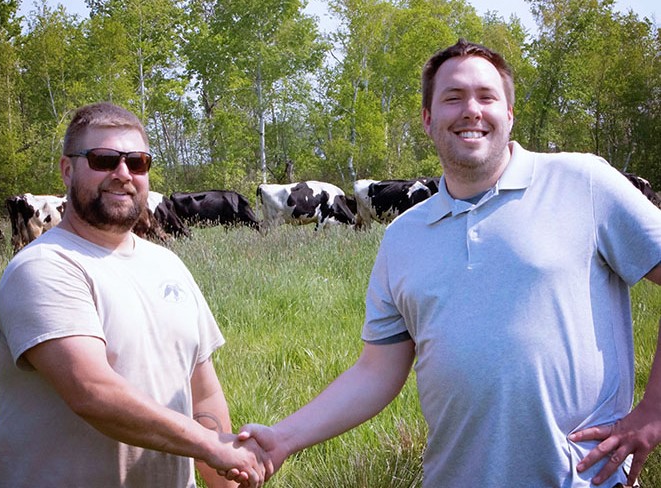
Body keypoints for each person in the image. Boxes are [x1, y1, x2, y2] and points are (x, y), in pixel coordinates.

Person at [233, 39, 661, 487]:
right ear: (427, 119)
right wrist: (282, 439)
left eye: (486, 96)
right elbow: (375, 372)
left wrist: (653, 413)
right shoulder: (403, 237)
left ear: (509, 114)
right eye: (453, 98)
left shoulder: (583, 183)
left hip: (582, 478)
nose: (471, 110)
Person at [0, 102, 269, 487]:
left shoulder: (168, 265)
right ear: (67, 170)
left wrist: (228, 476)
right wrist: (210, 446)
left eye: (137, 162)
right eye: (104, 159)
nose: (123, 174)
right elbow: (92, 392)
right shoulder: (42, 267)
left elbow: (203, 394)